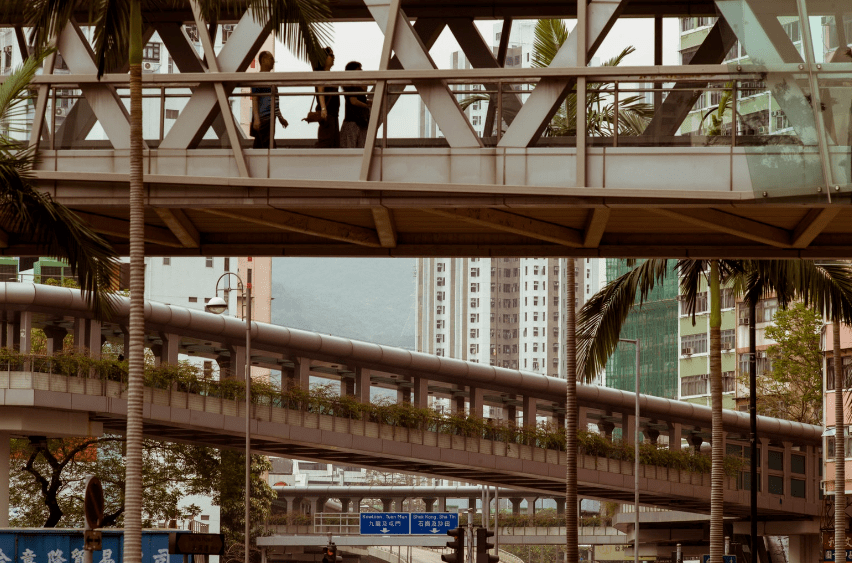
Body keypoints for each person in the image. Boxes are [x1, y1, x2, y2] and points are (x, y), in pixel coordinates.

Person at [251, 50, 288, 149]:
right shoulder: (258, 78)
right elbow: (255, 99)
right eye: (271, 58)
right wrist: (257, 119)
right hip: (263, 118)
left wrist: (280, 118)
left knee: (261, 144)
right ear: (263, 60)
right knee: (268, 145)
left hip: (270, 118)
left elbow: (275, 102)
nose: (273, 61)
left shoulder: (272, 79)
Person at [313, 47, 340, 148]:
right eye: (331, 55)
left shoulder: (328, 74)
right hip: (327, 113)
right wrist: (323, 108)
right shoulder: (322, 74)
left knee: (333, 141)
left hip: (333, 113)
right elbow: (320, 90)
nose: (333, 57)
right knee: (327, 140)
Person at [341, 61, 371, 148]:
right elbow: (353, 101)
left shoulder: (355, 86)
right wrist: (366, 105)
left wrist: (367, 102)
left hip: (359, 121)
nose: (361, 71)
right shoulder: (352, 86)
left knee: (355, 148)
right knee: (354, 148)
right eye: (359, 69)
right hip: (354, 122)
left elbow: (356, 100)